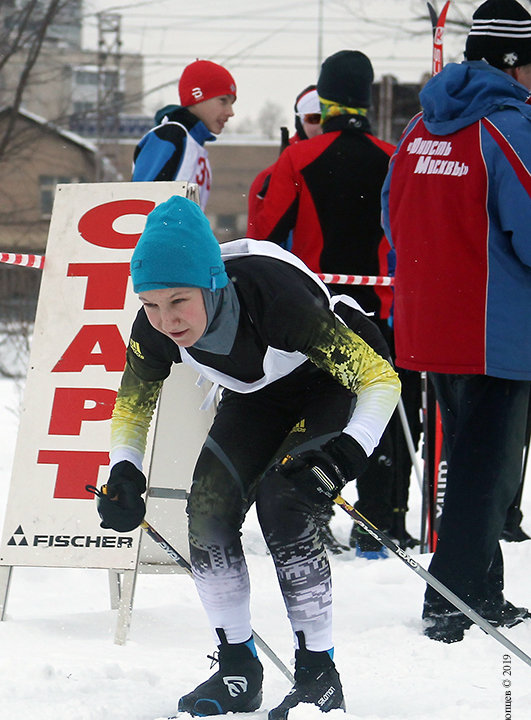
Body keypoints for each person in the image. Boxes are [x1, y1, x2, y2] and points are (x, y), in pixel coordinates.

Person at [94, 195, 401, 720]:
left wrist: (345, 454)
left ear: (212, 284)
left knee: (285, 501)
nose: (165, 320)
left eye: (177, 302)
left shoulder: (273, 296)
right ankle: (238, 669)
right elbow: (133, 403)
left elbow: (379, 380)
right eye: (149, 304)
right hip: (257, 394)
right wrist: (124, 470)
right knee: (207, 511)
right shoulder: (154, 326)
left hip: (329, 382)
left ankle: (318, 675)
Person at [381, 0, 531, 643]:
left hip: (431, 326)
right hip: (497, 329)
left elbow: (391, 217)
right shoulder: (511, 129)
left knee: (472, 462)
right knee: (487, 471)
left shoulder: (421, 128)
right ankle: (449, 600)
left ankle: (482, 593)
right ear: (510, 63)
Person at [252, 50, 420, 556]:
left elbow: (263, 238)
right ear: (366, 99)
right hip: (384, 308)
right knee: (386, 410)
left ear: (322, 100)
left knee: (322, 412)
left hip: (318, 310)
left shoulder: (298, 158)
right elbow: (412, 233)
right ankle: (381, 526)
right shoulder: (395, 156)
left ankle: (310, 515)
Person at [132, 59, 237, 209]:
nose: (230, 112)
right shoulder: (171, 136)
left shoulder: (194, 145)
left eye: (232, 103)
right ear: (198, 97)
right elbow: (139, 202)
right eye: (223, 101)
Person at [247, 84, 322, 238]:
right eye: (314, 118)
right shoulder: (269, 177)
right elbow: (257, 240)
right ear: (300, 121)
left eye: (330, 118)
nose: (322, 126)